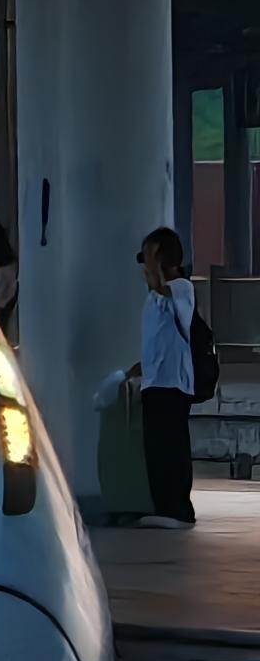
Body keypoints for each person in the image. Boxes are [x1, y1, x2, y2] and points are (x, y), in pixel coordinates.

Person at [136, 225, 200, 529]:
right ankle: (162, 504)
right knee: (156, 447)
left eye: (149, 255)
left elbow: (177, 311)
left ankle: (179, 507)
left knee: (172, 446)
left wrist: (156, 274)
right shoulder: (153, 298)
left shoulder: (181, 288)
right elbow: (154, 344)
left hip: (173, 382)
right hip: (154, 382)